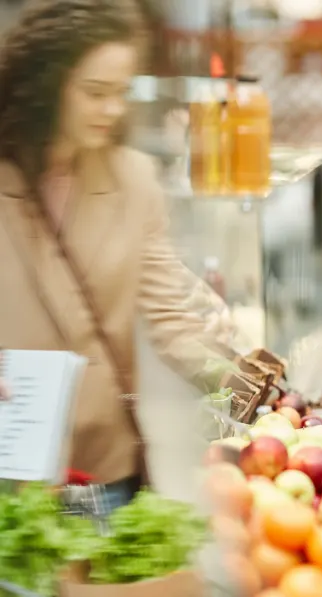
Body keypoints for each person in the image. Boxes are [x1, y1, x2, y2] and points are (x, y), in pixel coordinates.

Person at [0, 0, 235, 512]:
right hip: (9, 474)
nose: (112, 110)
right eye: (94, 93)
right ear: (45, 84)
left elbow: (171, 318)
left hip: (100, 473)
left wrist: (244, 383)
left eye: (121, 93)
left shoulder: (133, 180)